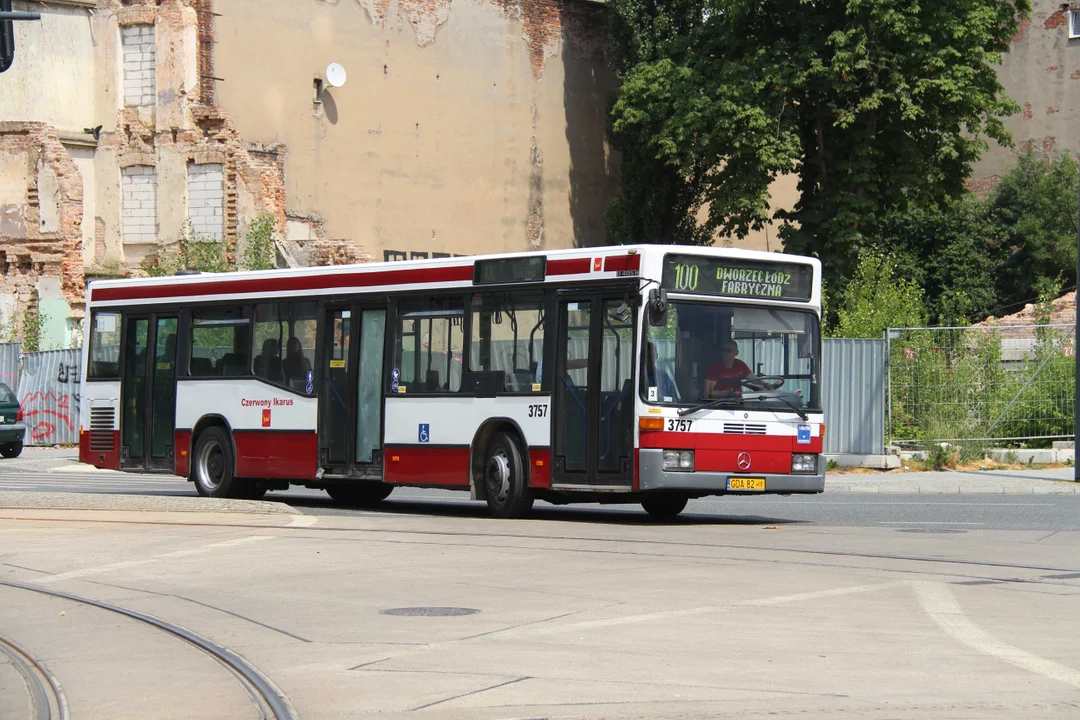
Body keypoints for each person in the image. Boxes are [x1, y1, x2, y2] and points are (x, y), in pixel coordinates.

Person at [704, 340, 782, 398]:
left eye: (728, 351)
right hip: (718, 405)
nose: (725, 353)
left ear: (736, 353)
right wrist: (728, 393)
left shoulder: (740, 365)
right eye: (723, 351)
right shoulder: (715, 368)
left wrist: (767, 385)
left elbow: (753, 379)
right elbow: (708, 392)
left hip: (739, 402)